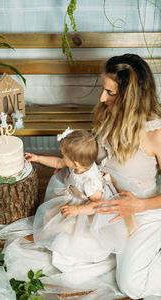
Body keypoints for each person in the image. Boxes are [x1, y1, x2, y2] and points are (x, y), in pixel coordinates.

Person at [92, 53, 161, 298]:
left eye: (110, 93)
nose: (102, 98)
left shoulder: (155, 134)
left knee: (131, 285)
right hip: (109, 205)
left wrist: (139, 204)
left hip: (143, 210)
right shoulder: (108, 115)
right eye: (104, 90)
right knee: (70, 257)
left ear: (130, 98)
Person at [25, 129, 120, 266]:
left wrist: (77, 210)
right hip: (72, 197)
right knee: (47, 214)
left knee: (62, 224)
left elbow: (97, 204)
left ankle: (46, 237)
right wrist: (38, 158)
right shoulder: (80, 165)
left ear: (75, 164)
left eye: (64, 155)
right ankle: (41, 235)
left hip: (85, 209)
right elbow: (58, 163)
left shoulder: (90, 183)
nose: (62, 157)